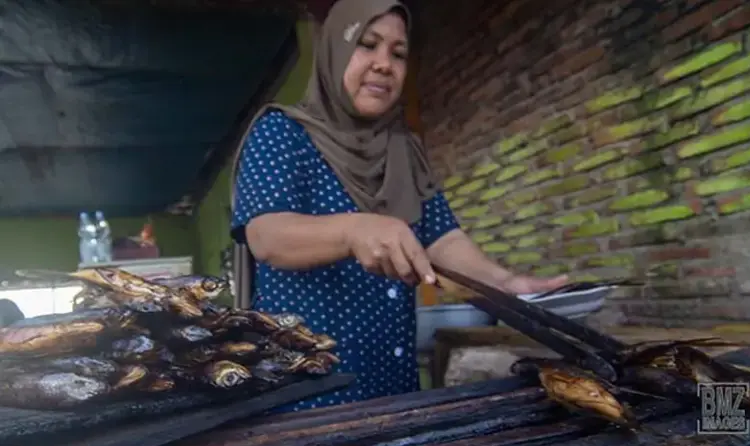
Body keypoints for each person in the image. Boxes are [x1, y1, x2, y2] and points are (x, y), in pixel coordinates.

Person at [229, 0, 568, 412]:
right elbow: (267, 236)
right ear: (334, 52)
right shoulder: (282, 133)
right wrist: (354, 230)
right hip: (308, 397)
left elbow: (442, 239)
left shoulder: (403, 150)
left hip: (394, 389)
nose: (384, 64)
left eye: (398, 53)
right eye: (367, 45)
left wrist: (506, 285)